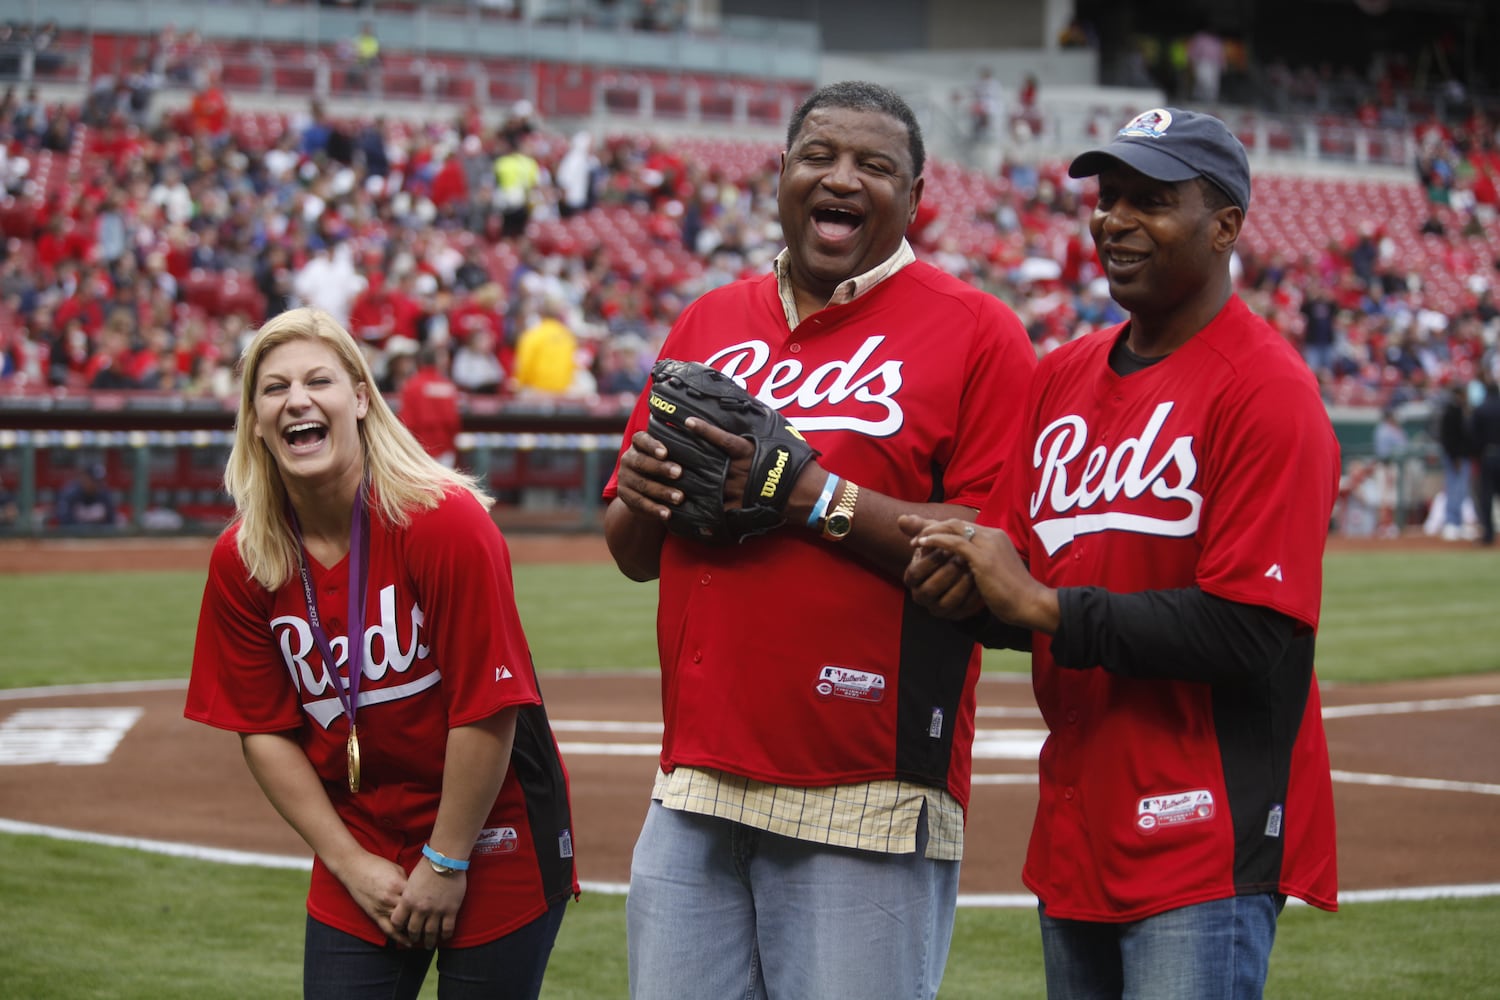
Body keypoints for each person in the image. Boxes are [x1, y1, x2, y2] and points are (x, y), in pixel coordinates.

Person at [602, 81, 1036, 1000]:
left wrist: (807, 495)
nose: (842, 178)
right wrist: (640, 497)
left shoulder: (978, 332)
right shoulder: (709, 322)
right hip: (694, 784)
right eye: (819, 157)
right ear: (782, 177)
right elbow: (634, 551)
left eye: (874, 166)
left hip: (868, 786)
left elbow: (1000, 556)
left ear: (915, 199)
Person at [903, 107, 1340, 999]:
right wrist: (967, 589)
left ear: (1226, 226)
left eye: (1152, 200)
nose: (1114, 220)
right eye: (1108, 199)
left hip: (1204, 837)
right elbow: (1022, 584)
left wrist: (1040, 608)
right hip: (1078, 825)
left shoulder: (1267, 390)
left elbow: (1252, 627)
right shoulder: (1063, 375)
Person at [184, 308, 577, 1000]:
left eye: (318, 381)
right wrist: (349, 863)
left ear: (361, 398)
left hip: (493, 829)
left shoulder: (444, 522)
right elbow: (264, 729)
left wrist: (447, 860)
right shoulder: (245, 560)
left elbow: (488, 708)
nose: (296, 400)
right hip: (362, 836)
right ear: (254, 421)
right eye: (273, 389)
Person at [399, 342, 464, 468]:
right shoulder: (448, 385)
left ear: (419, 361)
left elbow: (406, 422)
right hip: (446, 451)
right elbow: (454, 422)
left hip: (419, 451)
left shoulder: (412, 386)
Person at [1472, 378, 1500, 546]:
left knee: (1486, 497)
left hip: (1488, 455)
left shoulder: (1481, 410)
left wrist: (1477, 454)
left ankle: (1488, 536)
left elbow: (1475, 437)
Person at [55, 462, 118, 527]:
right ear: (84, 478)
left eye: (100, 481)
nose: (98, 484)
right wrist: (91, 519)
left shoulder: (104, 493)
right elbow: (64, 521)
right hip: (73, 536)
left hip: (99, 536)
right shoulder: (69, 493)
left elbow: (112, 521)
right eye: (94, 480)